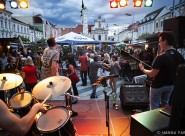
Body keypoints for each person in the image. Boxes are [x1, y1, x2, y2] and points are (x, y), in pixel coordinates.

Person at [139, 31, 185, 110]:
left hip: (158, 86)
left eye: (160, 41)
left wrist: (143, 69)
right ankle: (163, 121)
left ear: (165, 41)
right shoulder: (180, 56)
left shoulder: (161, 57)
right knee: (165, 106)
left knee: (154, 107)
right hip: (171, 86)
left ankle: (154, 122)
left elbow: (153, 74)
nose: (159, 44)